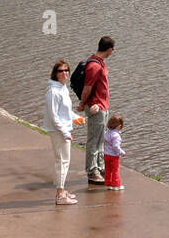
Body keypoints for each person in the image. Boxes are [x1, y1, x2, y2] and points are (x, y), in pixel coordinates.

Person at [77, 36, 115, 185]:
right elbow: (87, 88)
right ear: (109, 49)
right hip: (96, 108)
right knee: (94, 140)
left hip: (102, 107)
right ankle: (92, 171)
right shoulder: (94, 66)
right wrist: (82, 104)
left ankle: (100, 167)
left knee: (101, 140)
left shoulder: (100, 63)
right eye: (112, 50)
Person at [44, 60, 78, 205]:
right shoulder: (53, 91)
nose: (64, 73)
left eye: (66, 70)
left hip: (64, 128)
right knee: (62, 162)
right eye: (61, 71)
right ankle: (59, 195)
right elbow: (54, 116)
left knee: (65, 161)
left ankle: (62, 191)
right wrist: (65, 132)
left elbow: (66, 112)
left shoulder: (63, 88)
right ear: (55, 74)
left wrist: (77, 118)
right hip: (58, 131)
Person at [104, 114, 126, 191]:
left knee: (108, 170)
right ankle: (116, 185)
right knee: (115, 170)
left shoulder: (106, 133)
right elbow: (116, 146)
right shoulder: (116, 135)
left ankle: (109, 184)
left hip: (106, 155)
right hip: (113, 156)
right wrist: (121, 152)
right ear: (119, 126)